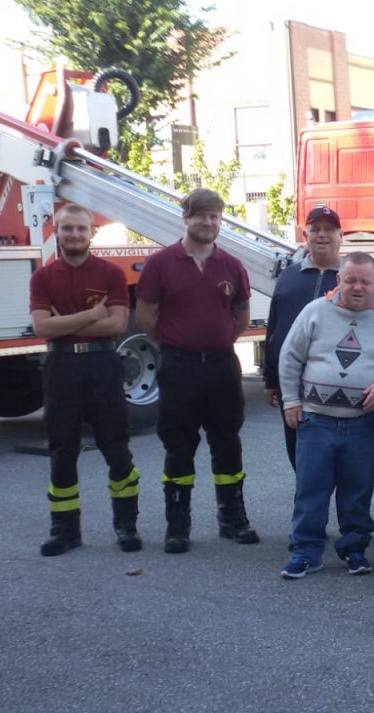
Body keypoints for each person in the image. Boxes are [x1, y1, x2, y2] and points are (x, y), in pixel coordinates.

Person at [277, 253, 374, 578]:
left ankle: (354, 548)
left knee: (357, 490)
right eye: (350, 280)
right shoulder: (315, 312)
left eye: (365, 282)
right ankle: (305, 553)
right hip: (316, 419)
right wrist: (290, 401)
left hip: (363, 422)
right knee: (310, 489)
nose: (357, 287)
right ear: (338, 280)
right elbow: (290, 356)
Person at [136, 188, 258, 554]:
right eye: (201, 215)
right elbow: (145, 319)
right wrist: (181, 342)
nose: (208, 222)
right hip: (179, 367)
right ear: (186, 218)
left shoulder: (232, 265)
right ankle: (178, 525)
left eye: (214, 216)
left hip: (221, 366)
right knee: (179, 445)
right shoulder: (161, 263)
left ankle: (232, 518)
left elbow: (241, 317)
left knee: (227, 442)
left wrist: (215, 341)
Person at [29, 204, 142, 555]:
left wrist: (65, 322)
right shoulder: (43, 277)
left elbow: (116, 324)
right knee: (62, 450)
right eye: (68, 228)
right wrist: (92, 314)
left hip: (102, 366)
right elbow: (42, 327)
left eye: (81, 228)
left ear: (91, 233)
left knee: (117, 448)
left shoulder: (110, 274)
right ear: (57, 232)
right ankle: (65, 531)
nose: (75, 234)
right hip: (61, 368)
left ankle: (126, 526)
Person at [264, 206, 342, 469]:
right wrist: (270, 379)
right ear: (305, 235)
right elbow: (274, 329)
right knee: (298, 455)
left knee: (334, 459)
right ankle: (306, 496)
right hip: (292, 385)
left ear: (340, 236)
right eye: (315, 229)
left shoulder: (351, 279)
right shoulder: (289, 276)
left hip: (333, 385)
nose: (322, 235)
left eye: (329, 229)